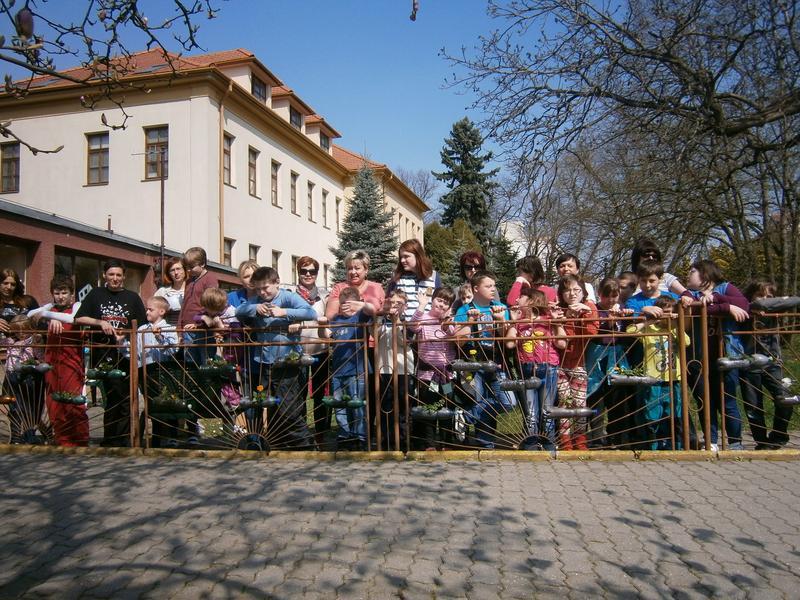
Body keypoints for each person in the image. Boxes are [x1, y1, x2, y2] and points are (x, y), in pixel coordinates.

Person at [235, 266, 316, 449]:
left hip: (287, 362)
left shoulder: (287, 297)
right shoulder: (257, 301)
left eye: (266, 288)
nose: (262, 293)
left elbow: (310, 312)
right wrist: (255, 308)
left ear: (277, 282)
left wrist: (285, 312)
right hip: (264, 362)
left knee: (288, 408)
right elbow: (239, 311)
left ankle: (306, 445)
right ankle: (278, 443)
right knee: (270, 405)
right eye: (258, 289)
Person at [74, 259, 146, 447]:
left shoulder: (132, 297)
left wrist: (127, 334)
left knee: (126, 396)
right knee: (112, 395)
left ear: (124, 277)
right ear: (104, 275)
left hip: (126, 354)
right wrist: (100, 323)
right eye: (111, 274)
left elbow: (142, 325)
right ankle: (111, 438)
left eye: (118, 275)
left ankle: (124, 438)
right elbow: (79, 318)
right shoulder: (96, 294)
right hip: (103, 353)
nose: (115, 278)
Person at [680, 259, 749, 451]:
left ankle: (735, 442)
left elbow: (744, 305)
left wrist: (718, 300)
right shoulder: (690, 294)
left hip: (726, 356)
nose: (688, 275)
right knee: (704, 402)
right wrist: (726, 308)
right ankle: (711, 441)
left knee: (728, 401)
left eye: (692, 271)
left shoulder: (726, 288)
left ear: (705, 274)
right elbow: (692, 307)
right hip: (698, 358)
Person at [454, 270, 513, 449]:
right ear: (476, 289)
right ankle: (485, 444)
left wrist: (501, 320)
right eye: (488, 286)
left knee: (508, 402)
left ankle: (467, 415)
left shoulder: (501, 307)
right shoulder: (464, 309)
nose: (493, 289)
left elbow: (507, 338)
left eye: (494, 285)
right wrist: (470, 321)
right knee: (479, 400)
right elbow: (458, 341)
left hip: (496, 361)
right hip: (473, 362)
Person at [28, 276, 88, 446]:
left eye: (64, 293)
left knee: (74, 401)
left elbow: (72, 318)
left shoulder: (76, 306)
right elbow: (30, 314)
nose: (61, 297)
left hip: (72, 360)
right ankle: (61, 439)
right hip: (52, 361)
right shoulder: (50, 307)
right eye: (57, 293)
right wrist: (48, 313)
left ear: (71, 293)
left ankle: (80, 440)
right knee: (53, 401)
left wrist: (49, 316)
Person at [740, 281, 800, 449]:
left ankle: (779, 435)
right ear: (751, 295)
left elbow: (795, 300)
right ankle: (762, 441)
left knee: (785, 398)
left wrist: (769, 304)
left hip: (773, 362)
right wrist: (755, 306)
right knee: (753, 405)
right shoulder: (746, 308)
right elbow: (756, 305)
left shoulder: (773, 309)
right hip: (750, 363)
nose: (765, 299)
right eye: (761, 295)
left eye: (770, 296)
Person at [626, 296, 689, 450]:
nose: (667, 316)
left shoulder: (674, 329)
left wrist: (675, 324)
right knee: (652, 411)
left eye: (670, 312)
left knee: (674, 411)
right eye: (664, 312)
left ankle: (675, 444)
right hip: (654, 379)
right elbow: (630, 331)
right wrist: (649, 321)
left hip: (673, 378)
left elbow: (686, 342)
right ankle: (652, 444)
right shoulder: (650, 329)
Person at [506, 288, 565, 446]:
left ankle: (548, 443)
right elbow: (510, 344)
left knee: (547, 411)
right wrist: (513, 322)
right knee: (531, 413)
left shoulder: (548, 320)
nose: (516, 300)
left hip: (549, 368)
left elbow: (562, 343)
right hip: (527, 368)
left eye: (520, 297)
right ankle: (530, 444)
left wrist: (557, 322)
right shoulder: (519, 323)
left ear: (531, 301)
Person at [319, 286, 373, 450]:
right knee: (340, 406)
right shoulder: (336, 319)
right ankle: (344, 435)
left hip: (357, 371)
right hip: (338, 371)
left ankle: (360, 437)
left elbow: (372, 309)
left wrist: (360, 305)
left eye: (349, 304)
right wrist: (321, 325)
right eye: (343, 304)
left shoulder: (360, 316)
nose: (345, 307)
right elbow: (325, 336)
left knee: (357, 405)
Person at [122, 296, 180, 447]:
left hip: (164, 373)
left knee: (168, 403)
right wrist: (121, 343)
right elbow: (134, 352)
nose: (147, 312)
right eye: (147, 309)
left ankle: (171, 436)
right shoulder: (142, 329)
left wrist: (159, 337)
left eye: (150, 309)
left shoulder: (169, 328)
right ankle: (154, 439)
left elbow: (173, 350)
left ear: (161, 311)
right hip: (146, 373)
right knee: (151, 404)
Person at [585, 277, 633, 449]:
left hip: (616, 359)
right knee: (596, 399)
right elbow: (592, 331)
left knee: (617, 398)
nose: (611, 300)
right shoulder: (595, 310)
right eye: (607, 296)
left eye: (614, 296)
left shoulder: (623, 309)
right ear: (599, 294)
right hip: (596, 359)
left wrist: (627, 318)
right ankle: (596, 438)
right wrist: (608, 322)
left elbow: (629, 332)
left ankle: (617, 438)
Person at [408, 286, 458, 450]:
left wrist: (446, 320)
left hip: (446, 376)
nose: (441, 305)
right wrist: (421, 305)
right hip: (428, 375)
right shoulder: (423, 318)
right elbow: (412, 326)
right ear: (433, 299)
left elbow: (452, 333)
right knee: (429, 408)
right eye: (439, 300)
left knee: (447, 406)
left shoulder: (449, 321)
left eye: (446, 303)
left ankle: (446, 442)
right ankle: (429, 443)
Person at [554, 274, 598, 450]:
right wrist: (566, 319)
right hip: (560, 365)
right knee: (564, 402)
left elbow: (592, 332)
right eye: (567, 290)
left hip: (579, 364)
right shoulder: (558, 310)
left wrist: (586, 314)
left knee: (579, 404)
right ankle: (565, 441)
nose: (572, 294)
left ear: (583, 292)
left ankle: (580, 439)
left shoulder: (589, 307)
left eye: (576, 290)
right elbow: (564, 340)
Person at [290, 257, 329, 449]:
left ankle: (321, 433)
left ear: (317, 274)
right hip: (298, 351)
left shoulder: (324, 296)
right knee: (300, 394)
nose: (308, 274)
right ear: (298, 272)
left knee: (320, 394)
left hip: (321, 351)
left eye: (312, 271)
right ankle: (302, 435)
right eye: (304, 271)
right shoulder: (291, 296)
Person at [374, 289, 415, 449]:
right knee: (386, 407)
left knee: (404, 407)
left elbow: (405, 341)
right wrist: (381, 314)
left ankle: (404, 442)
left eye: (399, 303)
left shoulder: (408, 323)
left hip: (403, 370)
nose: (395, 306)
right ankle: (387, 442)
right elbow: (373, 334)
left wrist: (396, 319)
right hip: (384, 370)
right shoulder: (382, 322)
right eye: (392, 302)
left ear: (405, 306)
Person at [0, 315, 45, 444]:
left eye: (24, 330)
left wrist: (36, 360)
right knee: (14, 406)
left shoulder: (33, 341)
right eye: (17, 331)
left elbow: (40, 357)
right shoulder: (10, 341)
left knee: (28, 407)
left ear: (29, 329)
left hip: (28, 376)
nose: (20, 334)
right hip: (12, 376)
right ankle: (15, 435)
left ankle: (29, 434)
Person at [178, 246, 219, 366]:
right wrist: (179, 327)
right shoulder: (189, 281)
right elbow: (184, 304)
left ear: (202, 264)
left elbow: (212, 303)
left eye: (191, 267)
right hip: (187, 328)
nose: (188, 270)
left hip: (203, 330)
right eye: (186, 267)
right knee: (190, 364)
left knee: (207, 363)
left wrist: (199, 323)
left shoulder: (210, 279)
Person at [386, 239, 440, 321]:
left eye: (406, 256)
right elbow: (388, 303)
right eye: (401, 257)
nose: (402, 260)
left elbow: (439, 303)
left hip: (427, 326)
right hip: (403, 327)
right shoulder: (397, 277)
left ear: (418, 256)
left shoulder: (433, 276)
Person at [325, 250, 385, 320]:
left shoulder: (377, 288)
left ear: (366, 270)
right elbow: (330, 316)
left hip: (373, 326)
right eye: (350, 269)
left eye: (357, 268)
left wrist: (365, 308)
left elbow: (384, 313)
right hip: (347, 326)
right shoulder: (339, 288)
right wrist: (345, 315)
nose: (353, 272)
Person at [1, 268, 38, 334]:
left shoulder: (28, 300)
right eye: (5, 283)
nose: (9, 287)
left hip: (26, 339)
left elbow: (41, 321)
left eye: (13, 284)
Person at [154, 257, 186, 326]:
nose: (176, 273)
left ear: (185, 270)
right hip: (167, 330)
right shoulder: (162, 292)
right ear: (168, 274)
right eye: (172, 270)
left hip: (188, 329)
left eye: (178, 269)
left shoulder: (193, 289)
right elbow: (153, 312)